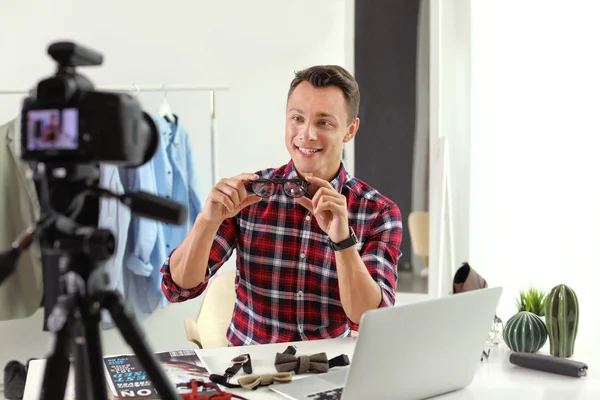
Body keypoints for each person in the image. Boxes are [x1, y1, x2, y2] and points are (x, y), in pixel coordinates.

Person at [161, 65, 403, 346]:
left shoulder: (379, 213)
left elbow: (371, 320)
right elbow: (176, 288)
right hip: (249, 373)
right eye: (297, 119)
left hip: (329, 371)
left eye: (324, 122)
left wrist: (343, 241)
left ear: (350, 130)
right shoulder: (249, 196)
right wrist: (207, 220)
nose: (306, 134)